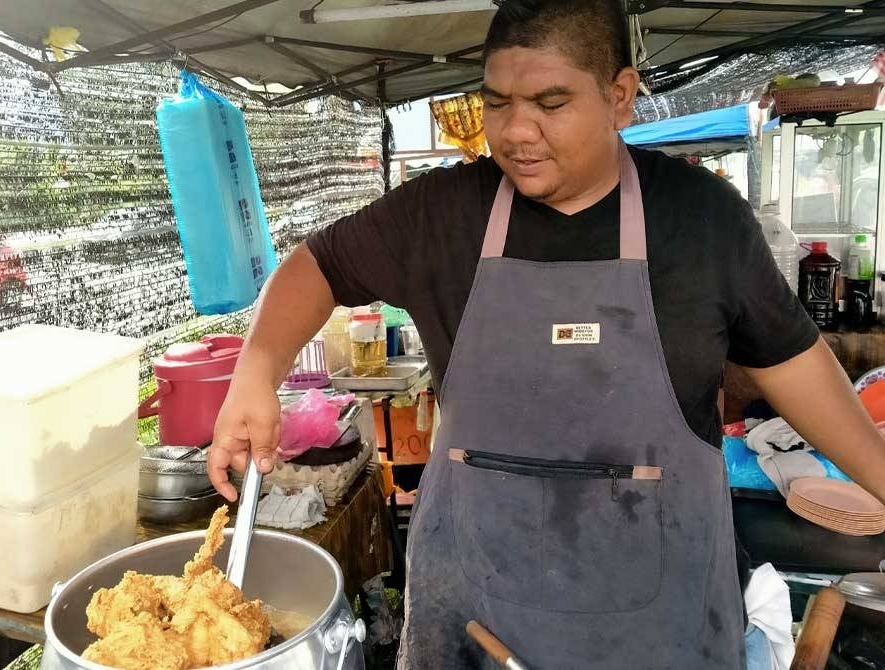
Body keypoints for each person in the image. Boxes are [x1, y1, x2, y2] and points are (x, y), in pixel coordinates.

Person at [209, 0, 885, 667]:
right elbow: (316, 267)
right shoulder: (443, 213)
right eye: (496, 102)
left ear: (620, 97)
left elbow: (795, 365)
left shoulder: (702, 219)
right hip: (473, 625)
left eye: (550, 102)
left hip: (660, 630)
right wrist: (255, 372)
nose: (515, 132)